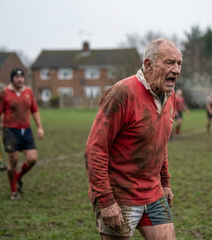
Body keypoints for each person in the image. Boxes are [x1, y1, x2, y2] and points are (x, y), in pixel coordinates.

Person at [85, 39, 181, 239]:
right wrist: (106, 200)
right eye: (169, 62)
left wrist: (165, 182)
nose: (176, 69)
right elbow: (95, 149)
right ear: (148, 65)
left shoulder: (168, 95)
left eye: (179, 64)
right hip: (119, 195)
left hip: (153, 194)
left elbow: (159, 144)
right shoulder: (122, 93)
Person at [0, 68, 44, 201]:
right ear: (12, 78)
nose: (19, 79)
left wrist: (40, 127)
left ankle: (18, 177)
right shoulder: (4, 93)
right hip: (10, 131)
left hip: (26, 130)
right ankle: (13, 192)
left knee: (32, 159)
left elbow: (35, 111)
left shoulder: (29, 91)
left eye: (21, 77)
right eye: (17, 77)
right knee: (13, 161)